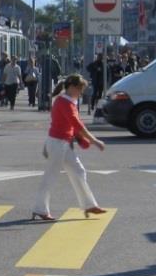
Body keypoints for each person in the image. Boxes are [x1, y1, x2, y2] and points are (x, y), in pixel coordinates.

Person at [30, 74, 107, 221]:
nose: (81, 92)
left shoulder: (67, 100)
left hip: (62, 143)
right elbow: (77, 125)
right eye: (79, 89)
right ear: (71, 87)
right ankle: (40, 209)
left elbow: (73, 126)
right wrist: (95, 141)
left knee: (79, 171)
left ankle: (89, 205)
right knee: (51, 176)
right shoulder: (64, 102)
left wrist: (81, 138)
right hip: (58, 143)